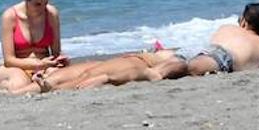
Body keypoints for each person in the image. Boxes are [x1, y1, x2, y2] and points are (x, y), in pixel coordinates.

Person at [34, 49, 188, 92]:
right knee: (86, 75)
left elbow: (143, 74)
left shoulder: (171, 62)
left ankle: (51, 87)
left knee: (87, 76)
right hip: (129, 62)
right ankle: (51, 85)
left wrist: (106, 78)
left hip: (134, 63)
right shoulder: (160, 61)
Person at [188, 3, 259, 75]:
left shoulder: (227, 27)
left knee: (187, 64)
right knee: (189, 67)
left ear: (244, 22)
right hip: (227, 58)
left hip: (210, 51)